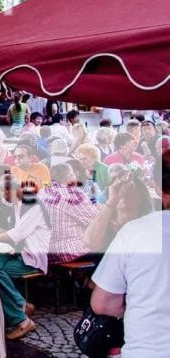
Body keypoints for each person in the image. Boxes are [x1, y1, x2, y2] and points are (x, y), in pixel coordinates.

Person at [90, 150, 169, 357]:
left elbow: (102, 304)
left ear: (157, 187)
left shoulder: (135, 232)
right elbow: (91, 240)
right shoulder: (132, 230)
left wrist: (141, 307)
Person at [0, 175, 51, 340]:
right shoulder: (19, 205)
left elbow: (15, 235)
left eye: (0, 191)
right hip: (19, 253)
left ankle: (21, 319)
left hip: (32, 258)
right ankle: (21, 304)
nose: (0, 195)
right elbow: (15, 234)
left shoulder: (32, 205)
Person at [40, 164, 99, 263]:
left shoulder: (43, 191)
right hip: (70, 252)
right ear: (69, 178)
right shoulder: (73, 193)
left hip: (46, 252)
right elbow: (96, 221)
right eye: (73, 174)